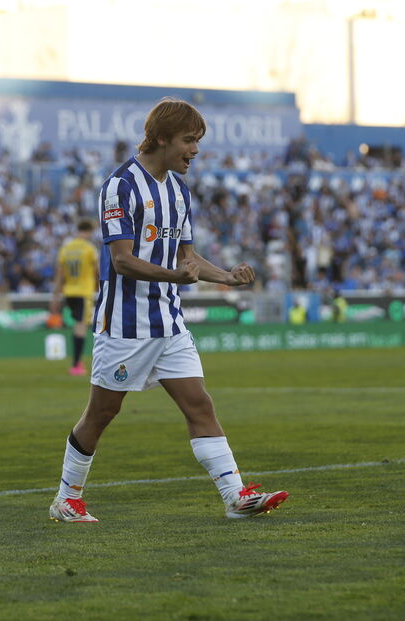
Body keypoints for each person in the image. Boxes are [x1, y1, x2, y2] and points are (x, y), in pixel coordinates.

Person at [48, 98, 289, 523]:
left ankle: (236, 497)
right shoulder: (120, 186)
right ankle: (66, 498)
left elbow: (187, 258)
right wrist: (174, 276)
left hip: (169, 321)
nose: (194, 150)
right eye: (188, 140)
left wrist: (227, 276)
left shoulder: (178, 190)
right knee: (102, 413)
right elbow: (122, 260)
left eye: (197, 142)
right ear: (161, 138)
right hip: (124, 324)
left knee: (200, 404)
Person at [50, 219, 99, 376]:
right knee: (81, 327)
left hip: (69, 292)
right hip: (83, 292)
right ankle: (76, 364)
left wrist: (55, 296)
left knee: (77, 326)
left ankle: (77, 362)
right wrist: (99, 287)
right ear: (89, 231)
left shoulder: (66, 248)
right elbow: (97, 270)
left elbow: (60, 274)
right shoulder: (89, 248)